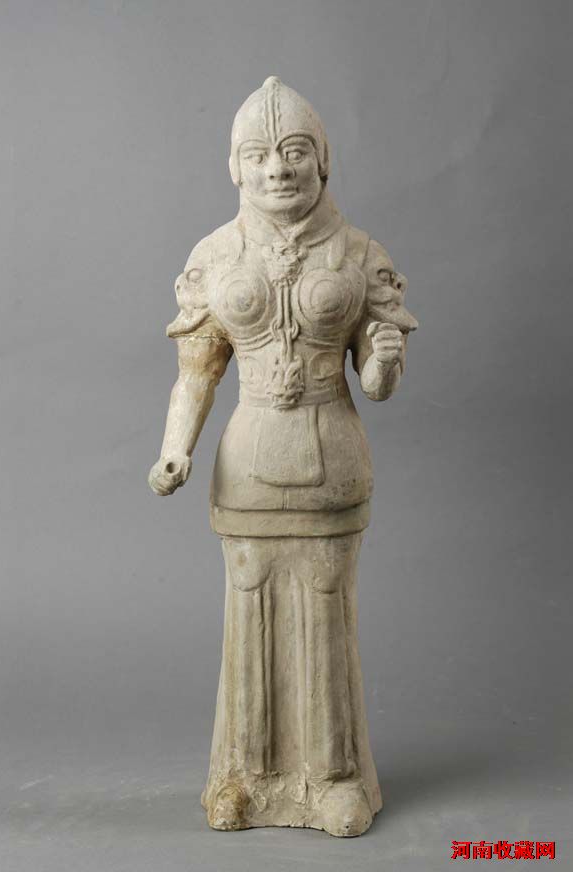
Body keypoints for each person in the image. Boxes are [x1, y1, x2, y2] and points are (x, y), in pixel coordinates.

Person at [148, 76, 418, 837]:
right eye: (258, 154)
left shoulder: (358, 253)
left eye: (295, 151)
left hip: (332, 456)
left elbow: (376, 383)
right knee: (249, 614)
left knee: (326, 611)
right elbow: (197, 372)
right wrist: (175, 450)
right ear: (234, 167)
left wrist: (384, 360)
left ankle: (333, 779)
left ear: (323, 160)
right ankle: (241, 778)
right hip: (249, 461)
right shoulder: (217, 255)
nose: (278, 169)